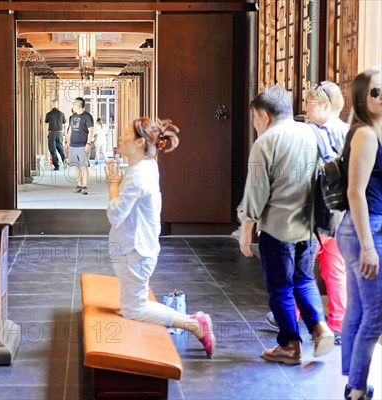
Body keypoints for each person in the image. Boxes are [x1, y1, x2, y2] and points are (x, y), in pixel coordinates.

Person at [238, 86, 335, 364]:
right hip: (309, 226)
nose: (255, 125)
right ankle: (319, 328)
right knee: (304, 280)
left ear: (264, 116)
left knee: (280, 287)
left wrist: (246, 229)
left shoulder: (266, 142)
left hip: (278, 228)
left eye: (255, 118)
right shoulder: (312, 133)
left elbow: (255, 193)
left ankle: (290, 346)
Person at [104, 117, 215, 358]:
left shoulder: (137, 174)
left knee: (134, 309)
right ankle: (193, 322)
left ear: (140, 142)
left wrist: (112, 185)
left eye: (125, 134)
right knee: (132, 305)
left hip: (136, 251)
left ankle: (194, 324)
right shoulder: (145, 166)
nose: (120, 138)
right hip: (135, 249)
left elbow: (115, 214)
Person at [266, 82, 349, 344]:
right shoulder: (349, 133)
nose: (306, 108)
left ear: (326, 106)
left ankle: (293, 315)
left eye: (311, 103)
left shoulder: (309, 133)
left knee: (299, 268)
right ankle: (336, 325)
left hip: (313, 210)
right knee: (334, 270)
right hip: (342, 211)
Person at [336, 67, 381, 400]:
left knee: (359, 309)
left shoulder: (372, 131)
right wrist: (368, 247)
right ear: (363, 99)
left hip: (362, 228)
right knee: (376, 314)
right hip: (366, 229)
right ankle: (356, 389)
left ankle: (354, 380)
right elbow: (355, 193)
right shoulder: (365, 134)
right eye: (376, 91)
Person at [65, 97, 94, 195]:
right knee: (76, 166)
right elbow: (70, 130)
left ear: (79, 105)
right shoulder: (72, 117)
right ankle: (79, 185)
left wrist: (88, 143)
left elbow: (91, 131)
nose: (72, 106)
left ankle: (85, 186)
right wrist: (67, 142)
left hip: (82, 145)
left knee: (84, 166)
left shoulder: (87, 116)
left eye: (74, 104)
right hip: (73, 145)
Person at [45, 100, 67, 171]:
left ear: (51, 105)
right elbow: (65, 124)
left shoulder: (49, 114)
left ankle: (57, 166)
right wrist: (64, 133)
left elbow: (45, 123)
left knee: (52, 149)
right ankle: (64, 161)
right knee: (60, 148)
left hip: (52, 133)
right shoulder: (61, 114)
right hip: (60, 133)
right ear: (57, 105)